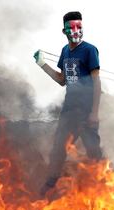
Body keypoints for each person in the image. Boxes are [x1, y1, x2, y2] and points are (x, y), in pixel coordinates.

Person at [34, 11, 103, 197]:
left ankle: (101, 189)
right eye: (71, 28)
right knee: (58, 149)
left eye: (79, 27)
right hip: (69, 108)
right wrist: (42, 65)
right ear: (63, 31)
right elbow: (61, 79)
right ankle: (50, 186)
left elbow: (97, 82)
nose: (76, 31)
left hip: (86, 108)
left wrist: (94, 113)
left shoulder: (90, 50)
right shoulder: (65, 51)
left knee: (93, 150)